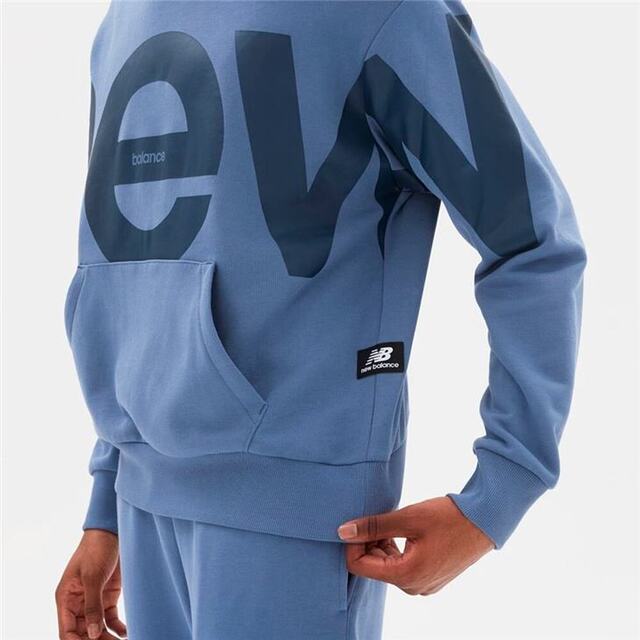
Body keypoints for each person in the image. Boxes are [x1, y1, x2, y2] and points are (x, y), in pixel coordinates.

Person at [55, 1, 586, 639]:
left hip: (296, 523)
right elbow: (135, 269)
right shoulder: (123, 19)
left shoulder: (383, 11)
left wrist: (499, 491)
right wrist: (108, 502)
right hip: (144, 513)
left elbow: (532, 239)